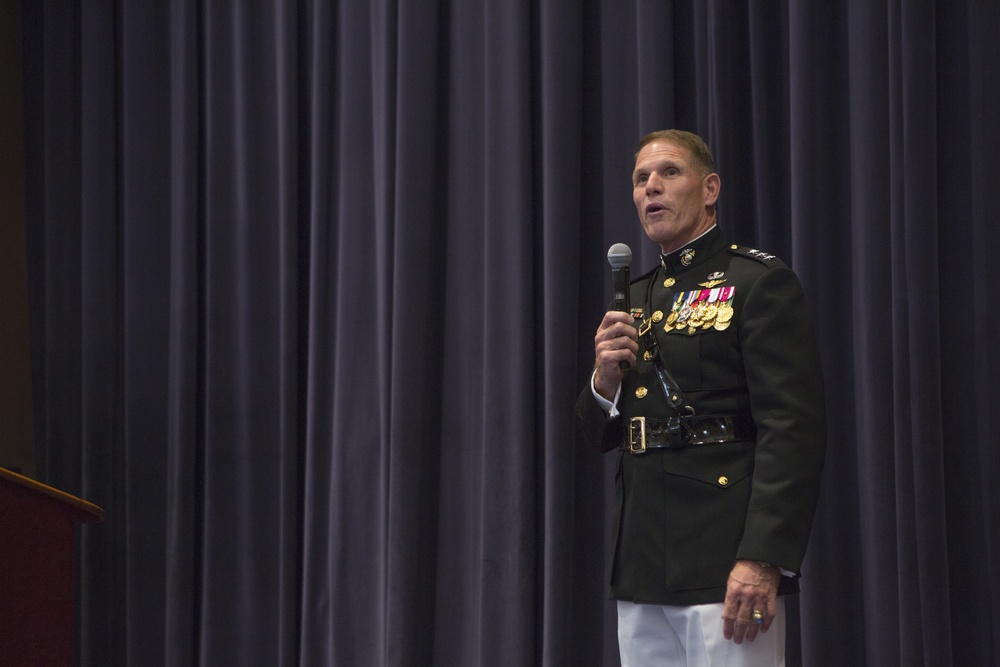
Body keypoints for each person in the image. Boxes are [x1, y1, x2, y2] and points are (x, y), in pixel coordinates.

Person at [576, 130, 826, 666]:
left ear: (710, 188)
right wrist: (603, 381)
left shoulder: (756, 282)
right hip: (643, 562)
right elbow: (598, 435)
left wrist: (763, 557)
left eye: (669, 173)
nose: (651, 189)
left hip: (724, 559)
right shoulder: (637, 296)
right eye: (641, 179)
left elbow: (793, 428)